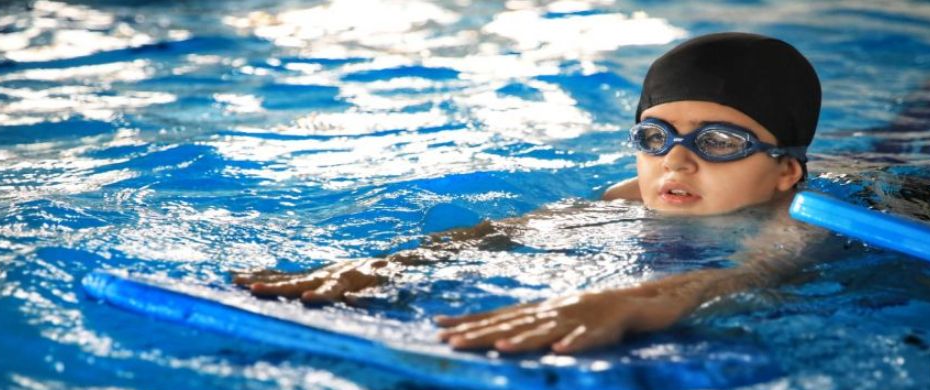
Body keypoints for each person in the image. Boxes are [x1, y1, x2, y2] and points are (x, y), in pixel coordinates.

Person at [231, 32, 824, 354]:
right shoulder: (624, 197)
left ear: (785, 173)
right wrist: (387, 267)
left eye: (719, 142)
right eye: (654, 135)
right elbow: (503, 235)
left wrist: (627, 301)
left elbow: (749, 276)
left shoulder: (803, 219)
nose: (677, 160)